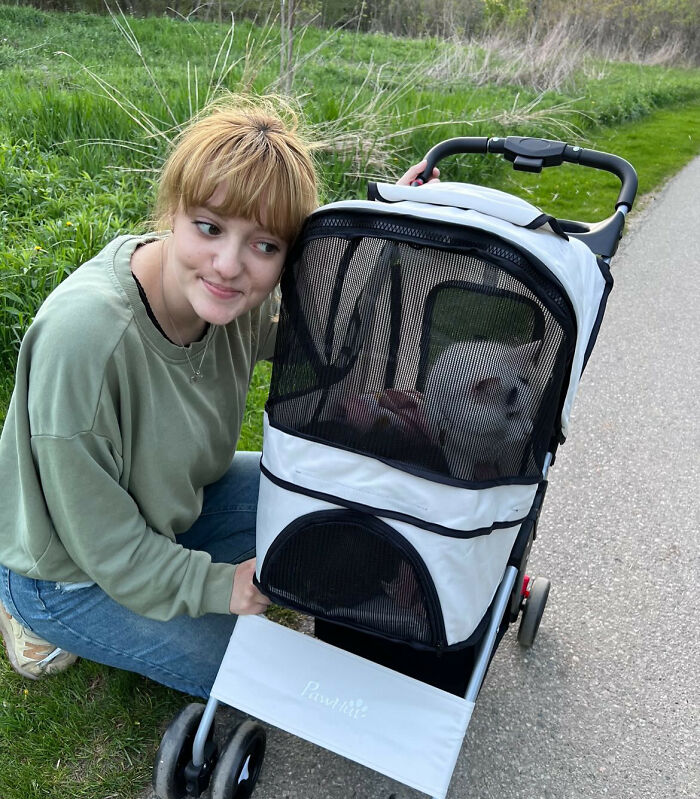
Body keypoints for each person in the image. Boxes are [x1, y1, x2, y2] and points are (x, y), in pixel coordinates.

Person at [0, 94, 438, 697]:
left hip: (180, 507)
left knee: (342, 502)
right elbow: (102, 541)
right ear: (173, 213)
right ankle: (28, 614)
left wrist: (386, 235)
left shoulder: (234, 306)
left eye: (264, 246)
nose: (229, 265)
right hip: (72, 570)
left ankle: (180, 572)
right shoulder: (85, 339)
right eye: (209, 228)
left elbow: (324, 344)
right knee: (266, 673)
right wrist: (220, 587)